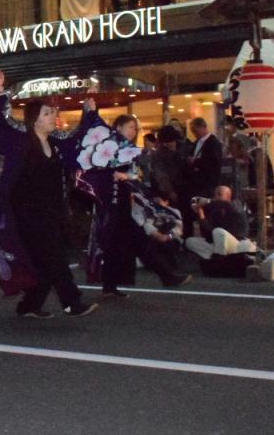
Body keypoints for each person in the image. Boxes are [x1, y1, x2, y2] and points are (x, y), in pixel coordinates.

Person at [0, 70, 98, 318]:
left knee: (44, 262)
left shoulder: (56, 143)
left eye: (53, 112)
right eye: (47, 113)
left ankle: (29, 305)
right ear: (34, 119)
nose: (53, 116)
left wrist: (88, 112)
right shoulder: (19, 141)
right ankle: (71, 302)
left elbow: (79, 138)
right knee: (55, 257)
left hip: (51, 212)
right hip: (27, 215)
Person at [76, 108, 190, 297]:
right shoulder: (109, 147)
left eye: (134, 128)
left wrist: (131, 179)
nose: (133, 131)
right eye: (129, 127)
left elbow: (137, 175)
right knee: (135, 241)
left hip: (121, 201)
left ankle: (111, 285)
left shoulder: (128, 151)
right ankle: (166, 275)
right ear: (118, 127)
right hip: (110, 202)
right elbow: (97, 170)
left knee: (119, 243)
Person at [185, 186, 257, 277]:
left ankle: (218, 264)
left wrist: (208, 201)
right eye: (215, 194)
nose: (216, 197)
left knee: (219, 232)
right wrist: (201, 215)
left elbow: (226, 205)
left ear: (228, 196)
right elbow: (210, 231)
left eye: (219, 194)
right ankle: (220, 260)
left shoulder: (236, 204)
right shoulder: (216, 212)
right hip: (221, 246)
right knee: (190, 241)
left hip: (236, 243)